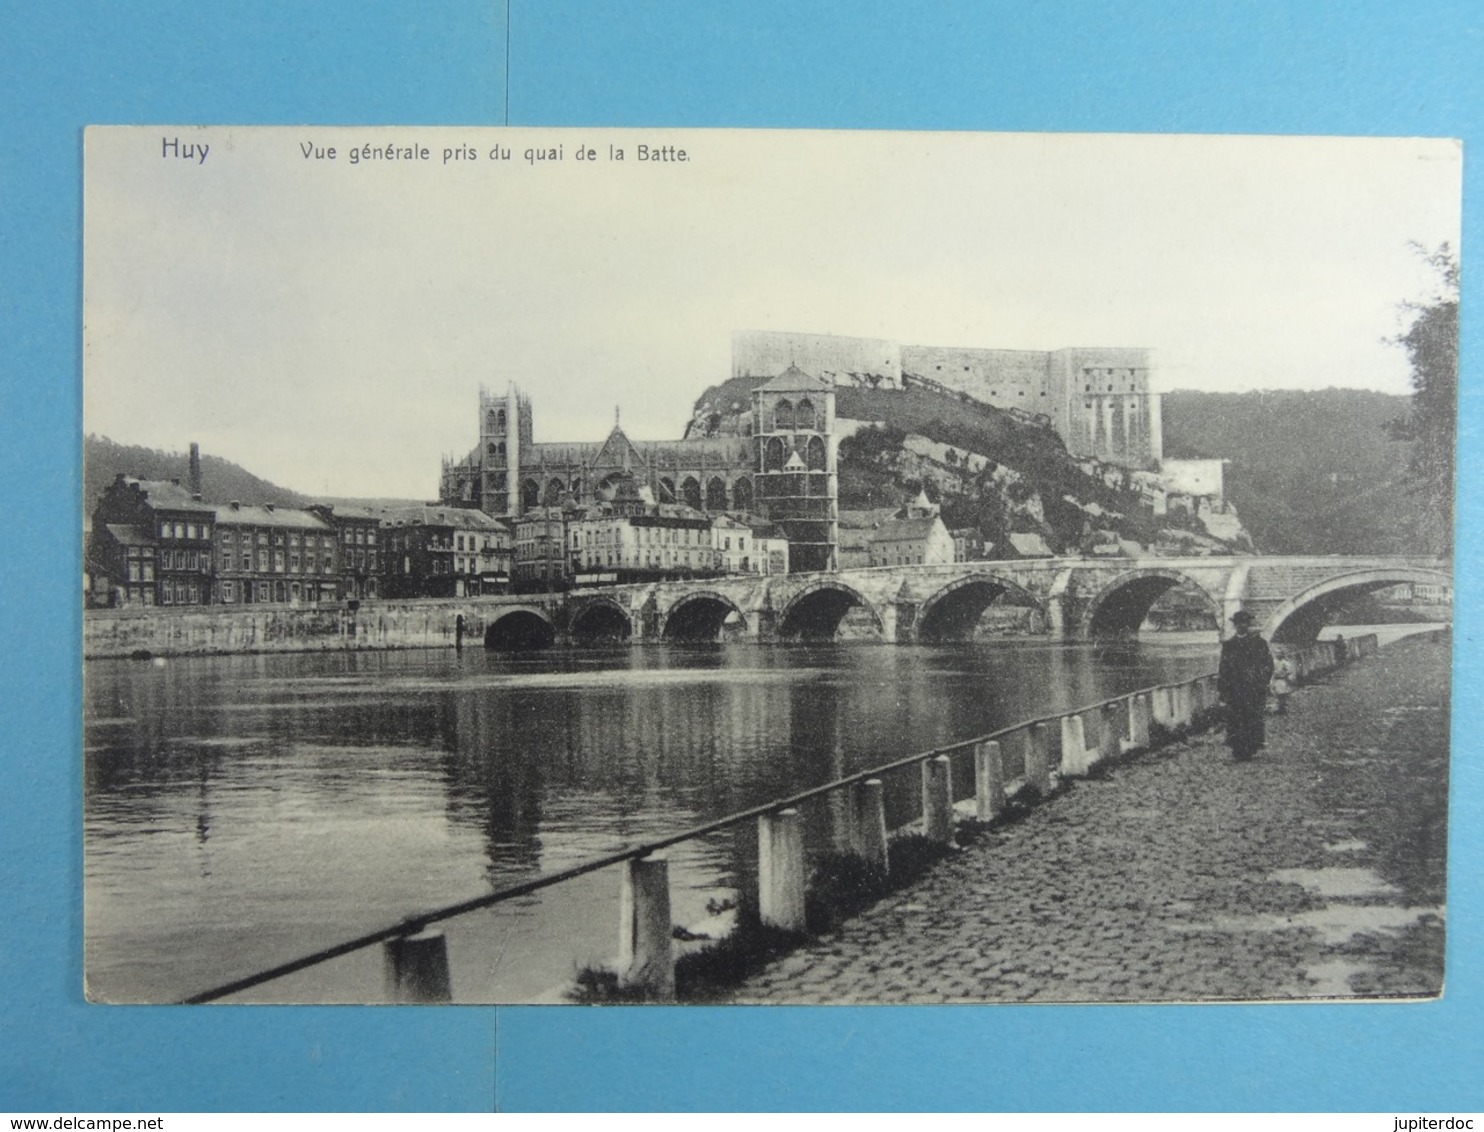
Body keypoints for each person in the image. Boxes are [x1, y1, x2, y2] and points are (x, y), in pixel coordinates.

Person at [1218, 609, 1274, 761]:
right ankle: (1237, 749)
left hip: (1253, 689)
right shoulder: (1229, 645)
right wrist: (1223, 691)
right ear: (1235, 625)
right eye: (1239, 623)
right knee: (1235, 719)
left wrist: (1262, 682)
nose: (1242, 626)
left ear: (1248, 624)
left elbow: (1268, 664)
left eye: (1245, 623)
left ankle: (1250, 747)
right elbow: (1223, 669)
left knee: (1252, 718)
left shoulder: (1259, 643)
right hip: (1234, 690)